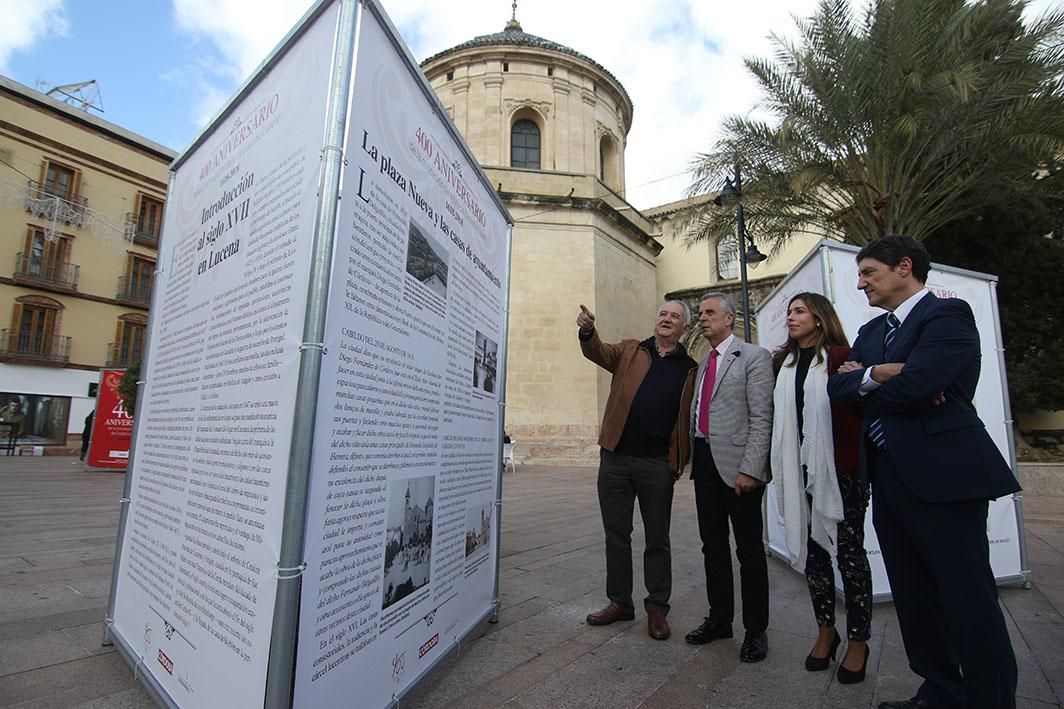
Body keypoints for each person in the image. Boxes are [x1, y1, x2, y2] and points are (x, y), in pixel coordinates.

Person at [827, 235, 1019, 709]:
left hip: (945, 478)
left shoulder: (948, 315)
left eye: (869, 272)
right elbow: (838, 388)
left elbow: (921, 387)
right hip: (889, 480)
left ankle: (991, 700)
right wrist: (879, 375)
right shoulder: (872, 334)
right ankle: (940, 691)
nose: (861, 283)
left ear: (904, 267)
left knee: (967, 599)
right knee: (914, 599)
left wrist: (875, 384)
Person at [577, 300, 698, 640]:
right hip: (615, 457)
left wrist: (680, 461)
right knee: (616, 534)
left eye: (675, 316)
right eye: (663, 314)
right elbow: (598, 352)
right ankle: (620, 602)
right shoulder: (631, 350)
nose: (667, 319)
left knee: (657, 537)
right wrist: (587, 331)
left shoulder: (691, 368)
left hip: (657, 464)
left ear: (684, 328)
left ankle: (657, 608)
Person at [770, 292, 871, 682]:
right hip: (798, 473)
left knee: (849, 555)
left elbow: (861, 412)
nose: (792, 318)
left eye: (799, 311)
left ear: (819, 317)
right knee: (815, 558)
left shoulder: (843, 359)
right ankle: (826, 629)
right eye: (790, 312)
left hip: (840, 474)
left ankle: (859, 639)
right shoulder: (784, 362)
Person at [685, 292, 773, 662]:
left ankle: (755, 630)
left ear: (730, 319)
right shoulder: (705, 361)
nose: (702, 319)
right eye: (701, 313)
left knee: (749, 551)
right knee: (713, 546)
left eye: (710, 313)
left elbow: (762, 416)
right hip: (704, 461)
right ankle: (720, 619)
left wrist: (751, 468)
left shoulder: (754, 357)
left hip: (739, 466)